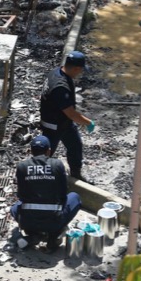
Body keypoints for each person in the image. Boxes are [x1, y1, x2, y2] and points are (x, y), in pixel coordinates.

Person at [11, 135, 82, 252]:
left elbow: (21, 195)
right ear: (49, 151)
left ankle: (35, 235)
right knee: (75, 197)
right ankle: (54, 236)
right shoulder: (57, 164)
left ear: (31, 151)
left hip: (28, 222)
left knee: (14, 208)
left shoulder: (22, 166)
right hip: (54, 222)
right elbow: (63, 193)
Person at [39, 50, 95, 183]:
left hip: (64, 122)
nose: (80, 73)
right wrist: (88, 122)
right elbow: (70, 113)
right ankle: (36, 179)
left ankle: (76, 174)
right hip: (53, 125)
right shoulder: (60, 87)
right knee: (46, 152)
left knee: (75, 146)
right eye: (80, 70)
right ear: (76, 68)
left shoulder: (56, 71)